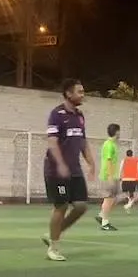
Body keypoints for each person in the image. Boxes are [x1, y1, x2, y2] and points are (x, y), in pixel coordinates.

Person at [41, 79, 95, 261]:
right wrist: (61, 164)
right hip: (57, 171)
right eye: (80, 92)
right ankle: (53, 248)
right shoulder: (56, 114)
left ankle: (52, 234)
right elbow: (52, 142)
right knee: (62, 205)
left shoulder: (80, 116)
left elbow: (83, 142)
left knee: (81, 206)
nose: (83, 95)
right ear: (68, 94)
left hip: (75, 170)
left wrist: (91, 163)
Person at [95, 123, 121, 231]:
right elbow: (108, 160)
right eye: (119, 131)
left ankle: (102, 215)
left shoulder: (113, 144)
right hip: (107, 176)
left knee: (115, 199)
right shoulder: (109, 144)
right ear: (117, 132)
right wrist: (110, 176)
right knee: (109, 199)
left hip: (113, 176)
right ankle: (105, 223)